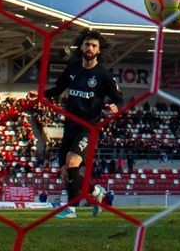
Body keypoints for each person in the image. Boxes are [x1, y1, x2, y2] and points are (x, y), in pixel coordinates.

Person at [41, 29, 123, 219]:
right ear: (81, 47)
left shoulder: (103, 75)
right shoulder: (72, 69)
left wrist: (114, 106)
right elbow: (57, 89)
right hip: (70, 125)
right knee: (67, 171)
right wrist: (39, 95)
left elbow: (120, 99)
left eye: (94, 45)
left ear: (99, 50)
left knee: (71, 162)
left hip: (89, 127)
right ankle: (95, 192)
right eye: (87, 44)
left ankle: (71, 209)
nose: (90, 48)